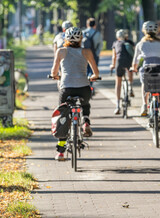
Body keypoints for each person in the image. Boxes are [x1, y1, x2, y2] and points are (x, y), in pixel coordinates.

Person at [51, 27, 100, 161]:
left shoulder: (61, 51)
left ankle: (60, 152)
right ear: (81, 39)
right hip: (83, 87)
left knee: (63, 116)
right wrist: (93, 77)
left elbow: (54, 72)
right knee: (85, 104)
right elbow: (96, 72)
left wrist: (55, 76)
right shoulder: (86, 51)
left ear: (65, 38)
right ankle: (86, 122)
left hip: (66, 88)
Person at [131, 21, 160, 137]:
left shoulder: (141, 44)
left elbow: (135, 61)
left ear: (144, 31)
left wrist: (133, 68)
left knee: (144, 83)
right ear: (157, 31)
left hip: (147, 70)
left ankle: (144, 104)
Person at [110, 29, 134, 115]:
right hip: (129, 62)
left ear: (117, 37)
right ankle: (130, 87)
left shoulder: (116, 43)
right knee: (130, 70)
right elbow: (133, 54)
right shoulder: (130, 43)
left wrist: (113, 65)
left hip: (119, 62)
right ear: (126, 36)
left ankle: (117, 105)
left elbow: (114, 56)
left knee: (118, 83)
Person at [82, 18, 103, 95]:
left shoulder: (83, 33)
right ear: (95, 25)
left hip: (84, 55)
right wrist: (97, 54)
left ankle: (85, 86)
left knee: (85, 70)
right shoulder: (97, 34)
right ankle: (90, 86)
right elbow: (100, 45)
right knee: (93, 71)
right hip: (94, 55)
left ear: (87, 24)